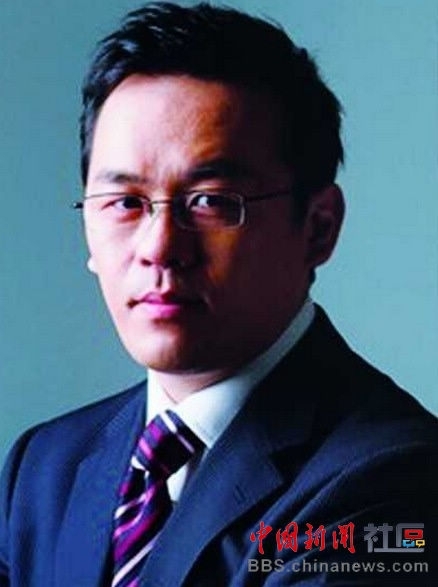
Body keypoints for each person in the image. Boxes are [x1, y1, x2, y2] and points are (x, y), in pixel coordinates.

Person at [0, 2, 437, 586]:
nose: (159, 247)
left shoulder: (394, 480)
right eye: (125, 203)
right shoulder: (43, 468)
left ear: (318, 227)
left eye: (209, 201)